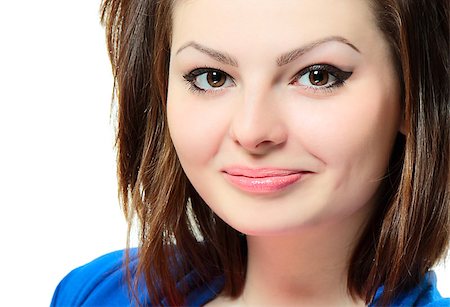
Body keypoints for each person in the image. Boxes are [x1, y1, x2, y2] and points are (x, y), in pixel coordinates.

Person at [51, 0, 449, 306]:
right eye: (212, 77)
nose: (252, 130)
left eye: (317, 75)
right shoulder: (100, 292)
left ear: (412, 96)